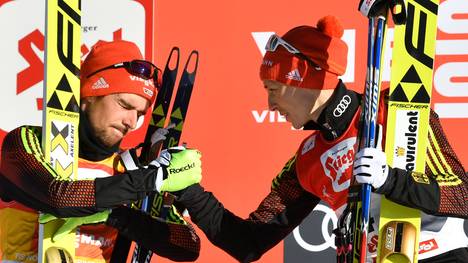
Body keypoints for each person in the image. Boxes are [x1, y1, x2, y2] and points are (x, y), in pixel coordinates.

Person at [159, 16, 468, 262]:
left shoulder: (396, 108)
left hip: (440, 255)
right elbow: (249, 242)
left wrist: (390, 179)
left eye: (272, 89)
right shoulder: (307, 160)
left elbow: (462, 196)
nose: (270, 105)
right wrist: (188, 189)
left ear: (301, 78)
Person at [0, 40, 202, 262]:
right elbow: (57, 197)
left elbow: (188, 245)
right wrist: (153, 179)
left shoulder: (128, 169)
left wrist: (119, 217)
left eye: (140, 113)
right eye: (124, 105)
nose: (132, 122)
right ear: (88, 96)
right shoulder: (27, 141)